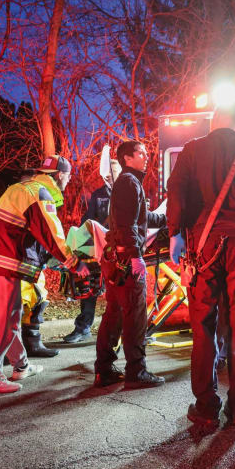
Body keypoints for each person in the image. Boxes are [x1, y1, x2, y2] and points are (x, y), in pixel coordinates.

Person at [167, 100, 235, 426]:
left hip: (204, 245)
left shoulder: (192, 150)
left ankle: (207, 407)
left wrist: (175, 234)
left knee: (204, 325)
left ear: (214, 120)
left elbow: (176, 193)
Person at [0, 155, 89, 393]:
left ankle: (21, 365)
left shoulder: (22, 188)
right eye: (67, 175)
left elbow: (30, 232)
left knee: (9, 314)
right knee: (8, 317)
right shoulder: (40, 193)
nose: (69, 180)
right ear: (59, 175)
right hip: (5, 260)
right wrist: (74, 263)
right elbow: (52, 233)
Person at [94, 140, 166, 388]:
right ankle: (136, 371)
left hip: (117, 260)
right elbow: (127, 225)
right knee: (135, 316)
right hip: (126, 260)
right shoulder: (128, 182)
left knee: (114, 314)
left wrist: (170, 217)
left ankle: (103, 370)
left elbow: (143, 216)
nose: (147, 156)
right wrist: (135, 257)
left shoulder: (129, 182)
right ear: (127, 158)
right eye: (141, 153)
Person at [64, 159, 122, 343]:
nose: (110, 176)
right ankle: (83, 328)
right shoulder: (98, 194)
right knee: (89, 289)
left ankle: (120, 329)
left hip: (122, 248)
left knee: (121, 290)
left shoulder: (130, 191)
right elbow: (88, 220)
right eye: (108, 172)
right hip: (99, 247)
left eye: (114, 171)